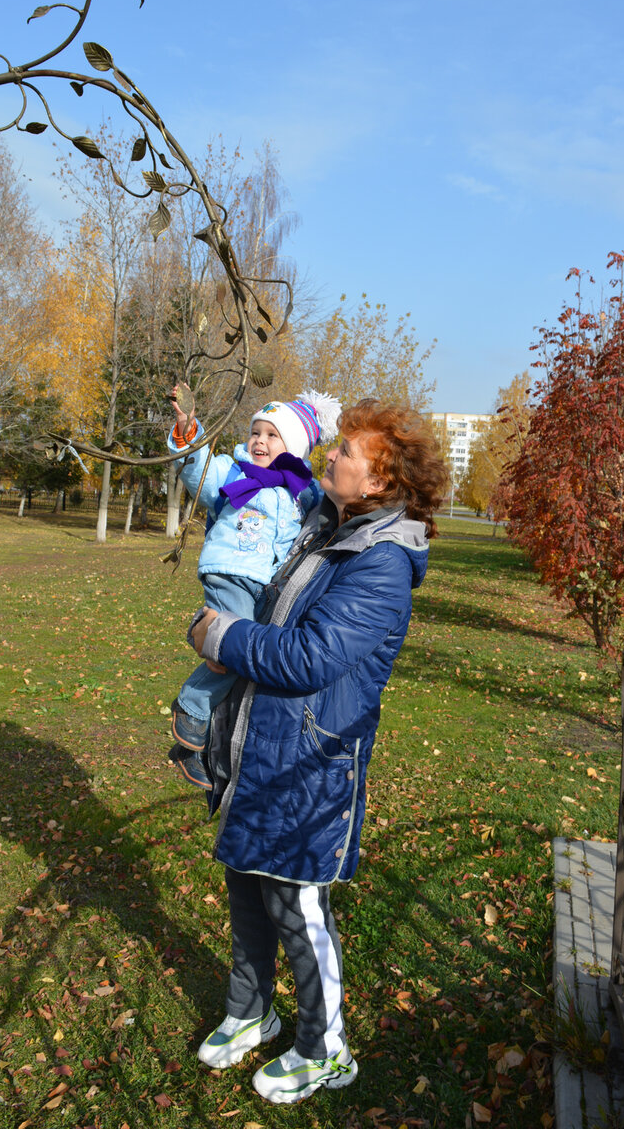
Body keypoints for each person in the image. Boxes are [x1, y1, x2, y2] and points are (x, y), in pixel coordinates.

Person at [188, 398, 449, 1105]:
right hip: (261, 740)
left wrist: (222, 638)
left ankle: (324, 1045)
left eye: (345, 453)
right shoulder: (324, 527)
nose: (330, 456)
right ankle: (250, 1011)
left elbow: (310, 658)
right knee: (246, 881)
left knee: (297, 906)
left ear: (378, 484)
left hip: (309, 762)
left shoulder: (382, 562)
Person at [166, 385, 340, 789]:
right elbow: (200, 470)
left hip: (267, 586)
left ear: (294, 447)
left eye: (271, 434)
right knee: (233, 646)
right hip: (229, 571)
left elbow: (329, 512)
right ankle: (192, 706)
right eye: (255, 432)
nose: (259, 441)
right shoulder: (235, 471)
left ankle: (198, 750)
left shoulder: (304, 491)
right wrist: (188, 431)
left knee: (252, 662)